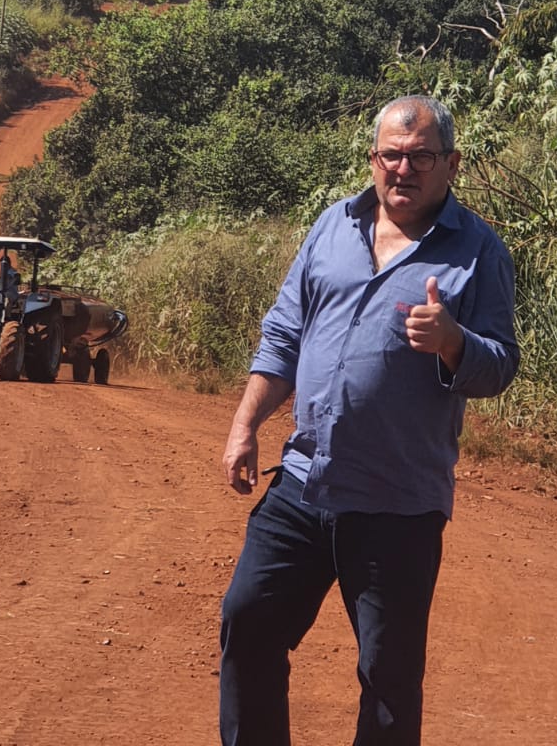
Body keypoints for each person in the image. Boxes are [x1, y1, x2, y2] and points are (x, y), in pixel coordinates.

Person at [219, 94, 519, 746]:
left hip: (397, 503)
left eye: (419, 157)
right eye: (391, 155)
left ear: (451, 164)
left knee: (387, 681)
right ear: (373, 159)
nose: (402, 170)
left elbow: (499, 365)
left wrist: (453, 342)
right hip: (304, 481)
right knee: (249, 623)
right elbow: (284, 336)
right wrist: (246, 424)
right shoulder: (333, 227)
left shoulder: (478, 252)